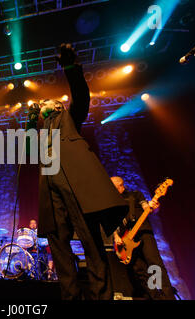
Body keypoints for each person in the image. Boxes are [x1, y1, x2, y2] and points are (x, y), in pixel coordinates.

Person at [26, 44, 129, 300]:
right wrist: (30, 120)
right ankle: (69, 296)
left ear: (58, 107)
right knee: (58, 245)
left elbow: (81, 97)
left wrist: (71, 68)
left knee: (90, 241)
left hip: (73, 180)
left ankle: (101, 295)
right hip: (49, 185)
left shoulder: (69, 118)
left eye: (46, 103)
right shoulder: (41, 133)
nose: (42, 105)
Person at [110, 177, 176, 300]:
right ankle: (155, 297)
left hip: (143, 233)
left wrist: (153, 206)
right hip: (127, 241)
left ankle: (168, 297)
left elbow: (147, 207)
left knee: (155, 265)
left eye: (112, 186)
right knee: (140, 272)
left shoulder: (135, 195)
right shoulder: (113, 202)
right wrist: (116, 236)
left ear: (120, 185)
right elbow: (113, 223)